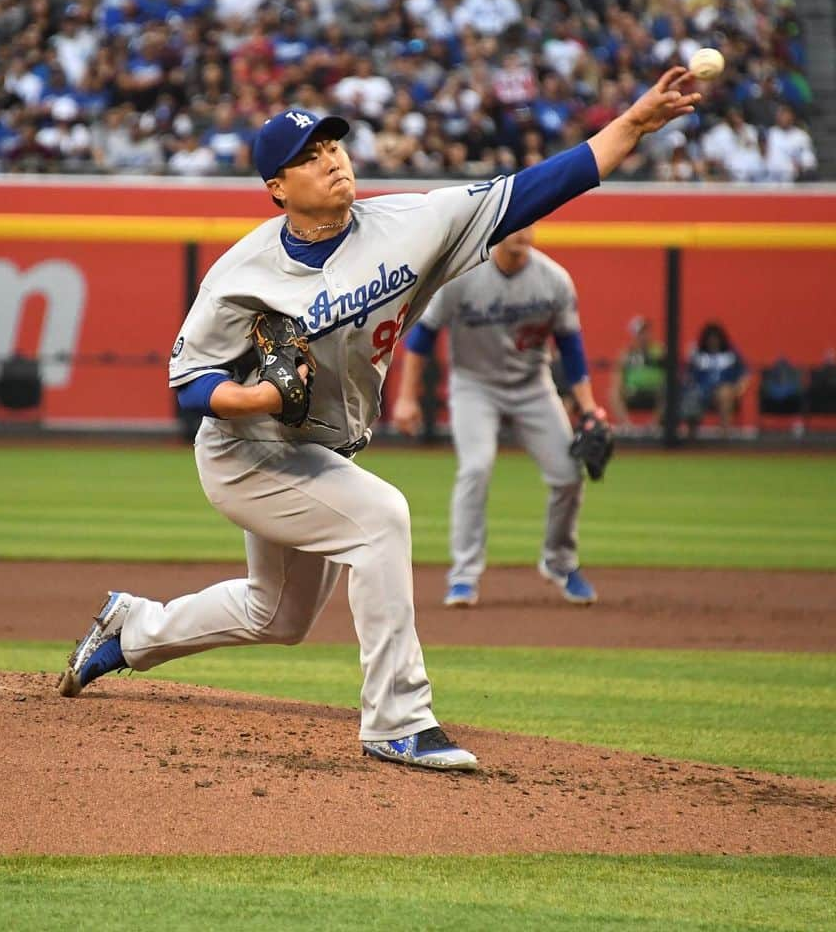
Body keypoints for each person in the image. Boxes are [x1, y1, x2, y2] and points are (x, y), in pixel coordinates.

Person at [57, 66, 702, 773]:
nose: (331, 159)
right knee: (382, 519)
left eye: (333, 145)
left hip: (320, 452)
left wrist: (634, 123)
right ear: (276, 189)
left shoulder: (411, 224)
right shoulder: (242, 272)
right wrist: (255, 399)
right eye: (308, 156)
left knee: (277, 616)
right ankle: (398, 720)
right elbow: (189, 382)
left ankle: (130, 628)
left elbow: (538, 187)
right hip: (245, 454)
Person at [392, 228, 604, 608]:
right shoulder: (462, 276)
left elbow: (572, 350)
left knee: (569, 474)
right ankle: (464, 576)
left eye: (531, 224)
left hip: (532, 386)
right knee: (475, 467)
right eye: (516, 224)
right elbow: (421, 339)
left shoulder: (553, 280)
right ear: (497, 230)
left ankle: (559, 562)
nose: (523, 232)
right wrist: (406, 398)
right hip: (474, 385)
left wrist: (588, 409)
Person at [681, 321, 749, 437]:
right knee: (691, 394)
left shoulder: (731, 354)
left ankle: (725, 433)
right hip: (701, 391)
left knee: (725, 392)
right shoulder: (697, 354)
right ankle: (691, 436)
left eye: (715, 338)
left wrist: (739, 388)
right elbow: (687, 375)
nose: (713, 341)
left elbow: (745, 374)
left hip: (722, 391)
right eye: (710, 338)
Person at [609, 315, 666, 426]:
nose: (644, 336)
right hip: (633, 392)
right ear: (634, 335)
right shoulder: (626, 354)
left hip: (655, 392)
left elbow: (669, 375)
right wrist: (622, 387)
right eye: (640, 333)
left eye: (646, 332)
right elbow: (617, 376)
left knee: (668, 392)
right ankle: (627, 426)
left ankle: (654, 427)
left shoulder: (660, 351)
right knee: (613, 393)